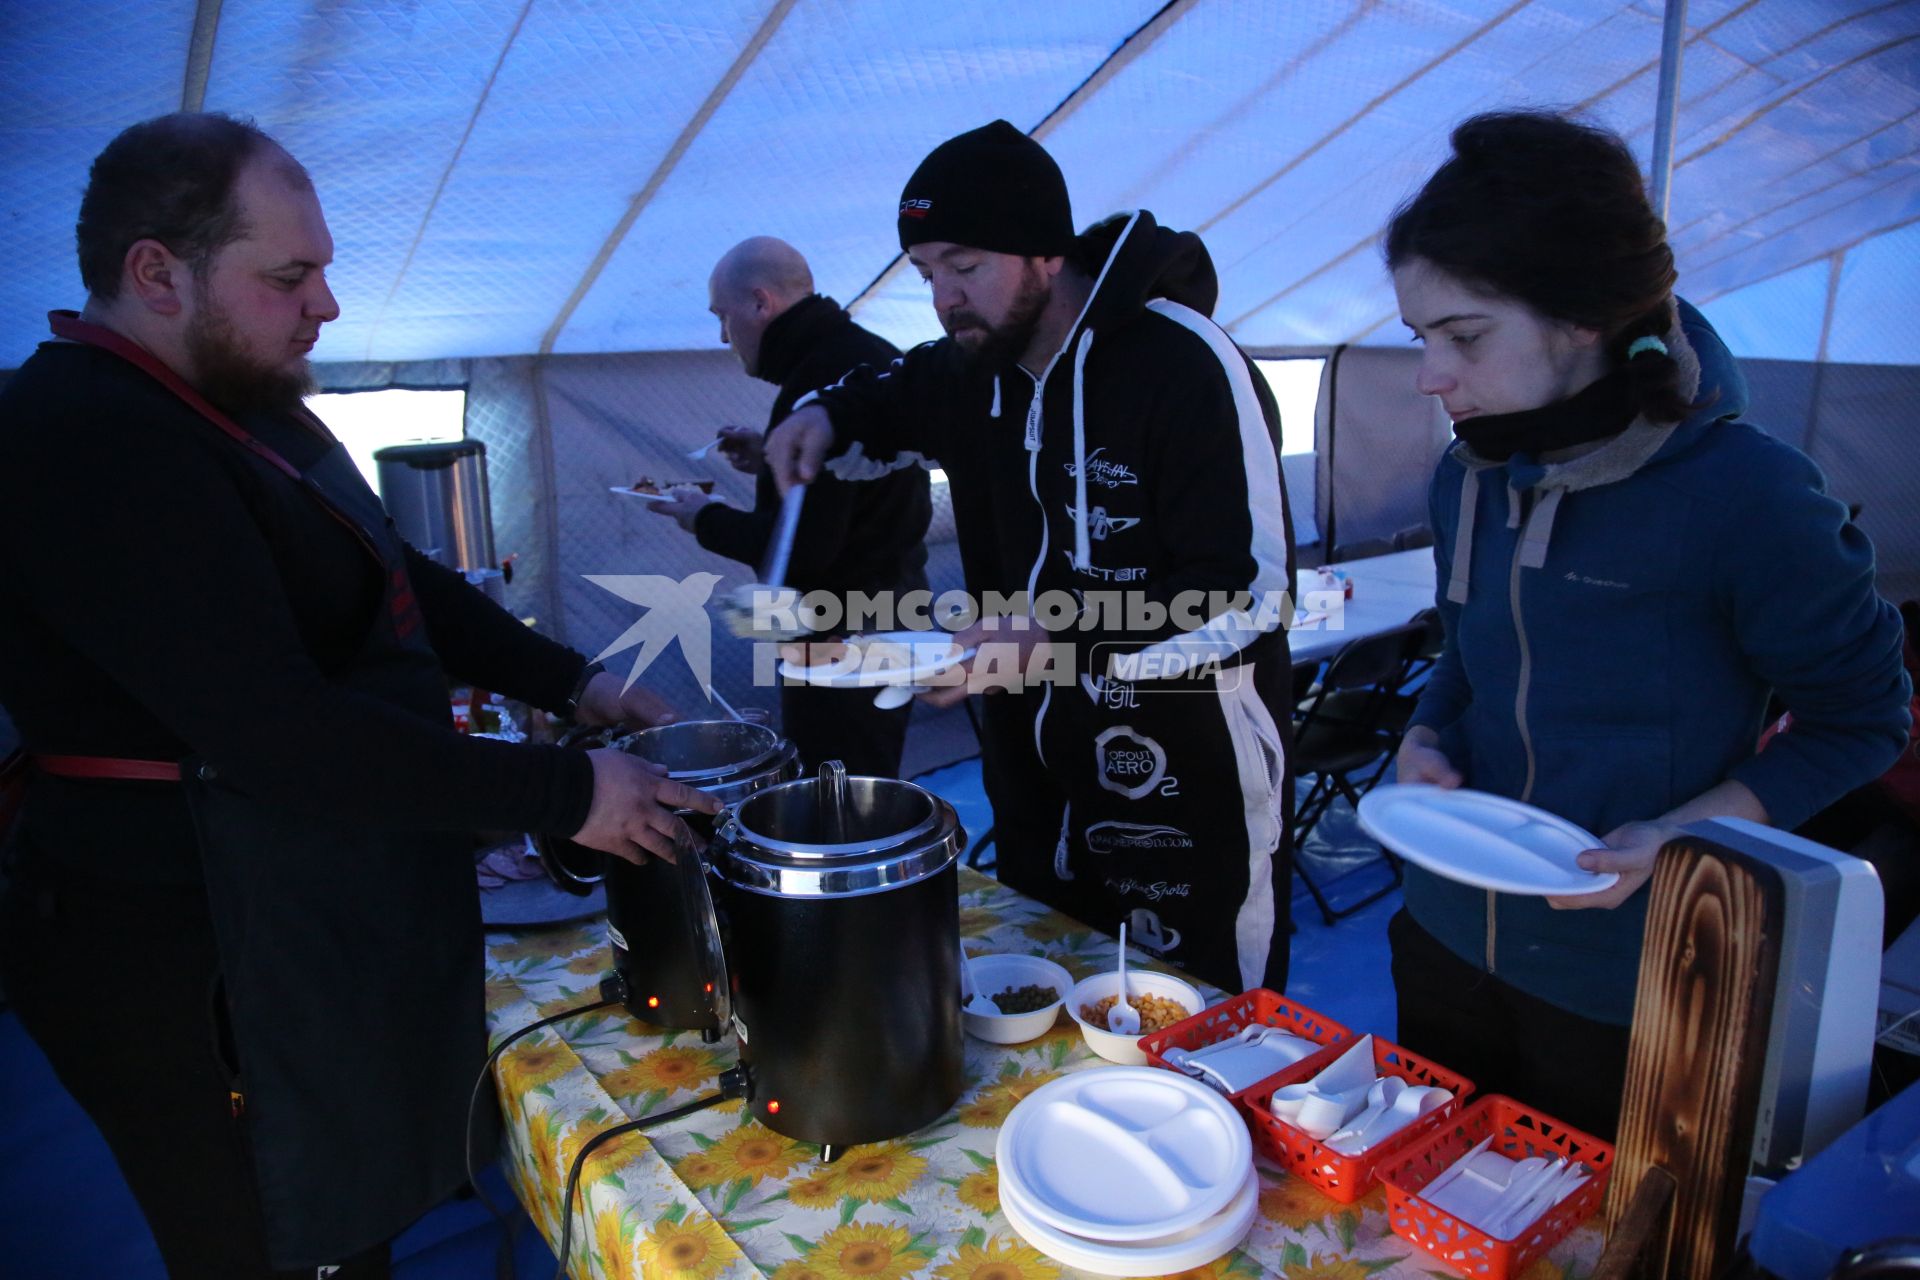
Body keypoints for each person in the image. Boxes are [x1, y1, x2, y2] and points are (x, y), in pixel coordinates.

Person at [0, 112, 720, 1278]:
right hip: (186, 951)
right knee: (281, 1241)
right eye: (292, 275)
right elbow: (279, 733)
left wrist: (577, 681)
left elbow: (398, 573)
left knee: (350, 1224)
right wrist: (566, 788)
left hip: (295, 907)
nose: (326, 304)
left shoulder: (246, 406)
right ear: (155, 273)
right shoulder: (85, 435)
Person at [1382, 110, 1912, 1138]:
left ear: (1583, 317)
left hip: (1629, 975)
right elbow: (1466, 648)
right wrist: (1424, 732)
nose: (1429, 376)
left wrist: (1682, 831)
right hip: (1443, 929)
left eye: (1464, 335)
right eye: (1419, 337)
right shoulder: (1471, 472)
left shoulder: (1748, 497)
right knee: (1427, 1195)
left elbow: (1863, 719)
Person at [766, 120, 1298, 995]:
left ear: (1046, 254)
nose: (944, 298)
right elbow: (882, 393)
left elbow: (1245, 600)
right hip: (1035, 791)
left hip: (1183, 795)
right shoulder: (976, 370)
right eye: (926, 272)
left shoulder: (1182, 362)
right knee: (1047, 1027)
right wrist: (817, 416)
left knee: (1200, 1038)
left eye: (965, 264)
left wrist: (1053, 642)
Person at [651, 237, 931, 776]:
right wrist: (771, 454)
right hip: (889, 613)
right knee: (867, 775)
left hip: (841, 637)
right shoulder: (865, 355)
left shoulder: (819, 383)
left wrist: (699, 517)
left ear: (761, 302)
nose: (723, 337)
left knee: (842, 794)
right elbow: (856, 483)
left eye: (724, 318)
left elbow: (802, 552)